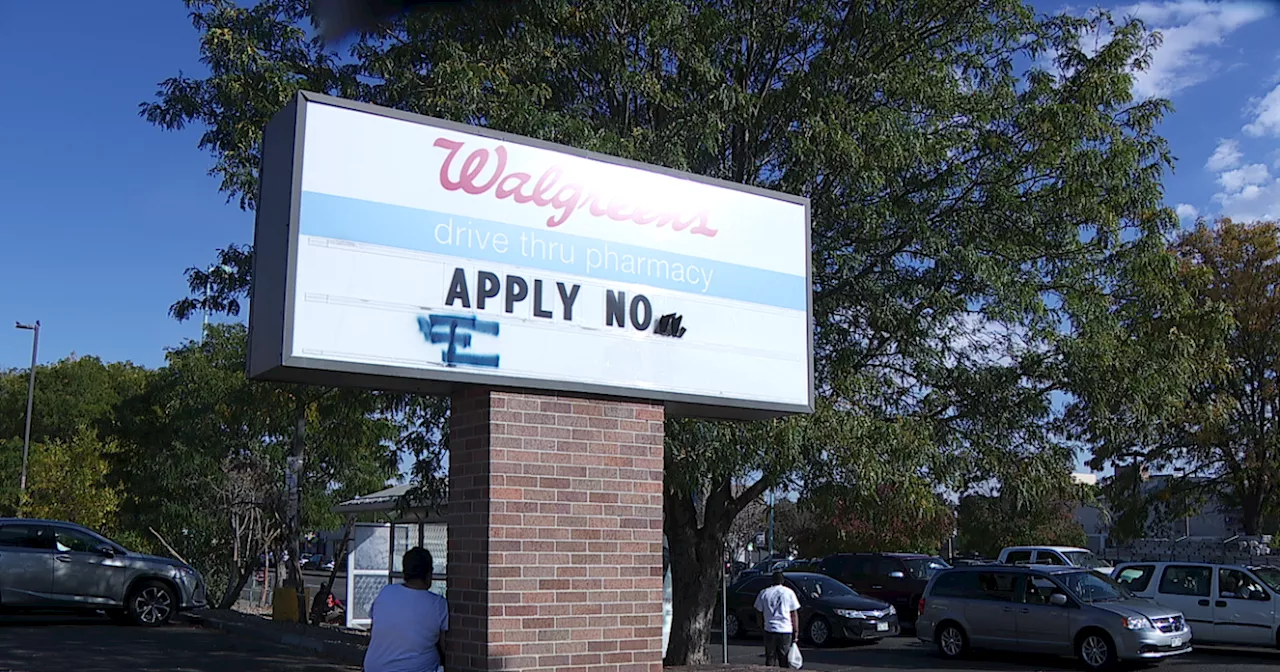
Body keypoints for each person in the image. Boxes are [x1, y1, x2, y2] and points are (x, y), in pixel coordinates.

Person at [364, 547, 448, 672]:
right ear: (429, 573)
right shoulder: (438, 604)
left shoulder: (386, 592)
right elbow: (446, 646)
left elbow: (375, 627)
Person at [754, 571, 801, 668]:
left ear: (772, 580)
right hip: (785, 629)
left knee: (770, 658)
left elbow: (758, 611)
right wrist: (796, 631)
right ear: (783, 581)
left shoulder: (764, 593)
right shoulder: (789, 593)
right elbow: (793, 613)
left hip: (770, 628)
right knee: (784, 658)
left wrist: (762, 626)